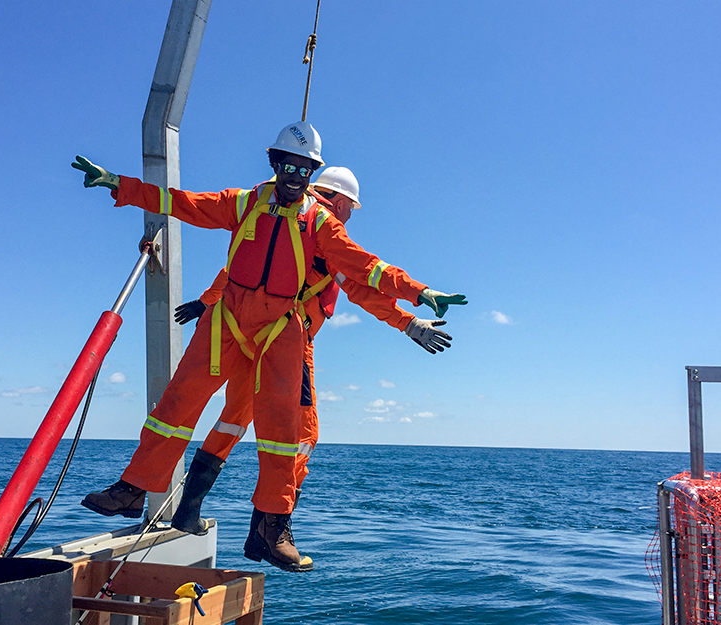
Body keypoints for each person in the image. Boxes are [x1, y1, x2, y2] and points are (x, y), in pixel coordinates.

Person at [72, 121, 466, 572]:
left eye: (305, 168)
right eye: (290, 165)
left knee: (284, 434)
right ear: (277, 164)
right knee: (181, 404)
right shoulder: (249, 204)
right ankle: (138, 489)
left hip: (282, 333)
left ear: (312, 173)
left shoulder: (320, 227)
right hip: (232, 323)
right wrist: (120, 185)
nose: (297, 176)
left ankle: (269, 524)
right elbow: (186, 206)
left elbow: (366, 270)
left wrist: (417, 296)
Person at [168, 166, 454, 544]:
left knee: (232, 421)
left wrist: (206, 303)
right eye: (350, 206)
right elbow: (363, 288)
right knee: (303, 435)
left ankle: (188, 511)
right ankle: (268, 530)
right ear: (337, 200)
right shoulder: (324, 234)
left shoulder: (281, 222)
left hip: (248, 339)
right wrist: (409, 323)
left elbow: (239, 272)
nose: (350, 214)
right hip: (288, 344)